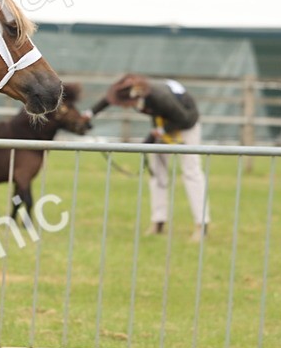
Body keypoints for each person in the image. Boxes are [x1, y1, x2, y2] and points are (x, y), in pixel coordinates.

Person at [86, 74, 209, 239]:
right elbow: (108, 100)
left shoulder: (160, 96)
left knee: (191, 171)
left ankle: (202, 224)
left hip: (186, 123)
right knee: (156, 173)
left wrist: (161, 131)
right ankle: (158, 222)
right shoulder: (131, 91)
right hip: (163, 123)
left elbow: (185, 119)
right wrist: (90, 113)